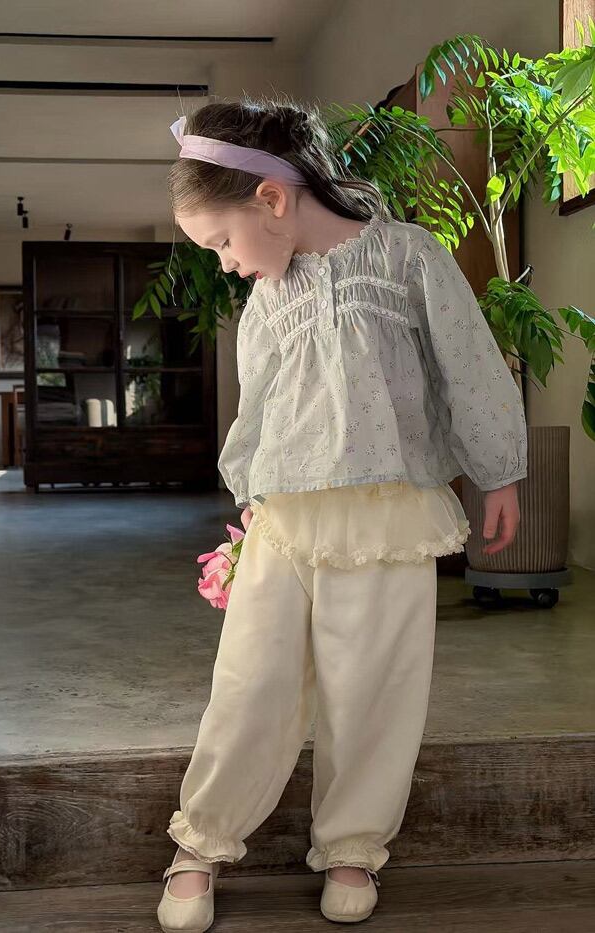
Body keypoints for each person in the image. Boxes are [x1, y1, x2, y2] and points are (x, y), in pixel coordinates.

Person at [157, 95, 527, 932]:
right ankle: (202, 840)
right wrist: (249, 513)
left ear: (271, 200)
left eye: (221, 243)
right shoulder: (268, 297)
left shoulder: (408, 257)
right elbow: (258, 410)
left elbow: (469, 364)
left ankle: (353, 844)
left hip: (389, 515)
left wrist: (499, 470)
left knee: (373, 688)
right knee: (249, 682)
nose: (226, 265)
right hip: (289, 520)